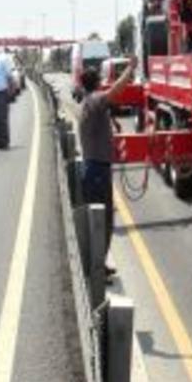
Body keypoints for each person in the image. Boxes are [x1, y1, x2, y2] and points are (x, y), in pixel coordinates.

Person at [78, 55, 138, 278]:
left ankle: (98, 265)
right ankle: (96, 270)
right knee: (102, 223)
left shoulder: (89, 101)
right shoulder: (95, 100)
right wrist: (130, 69)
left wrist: (110, 123)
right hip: (97, 171)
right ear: (97, 82)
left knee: (101, 221)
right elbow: (115, 91)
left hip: (94, 169)